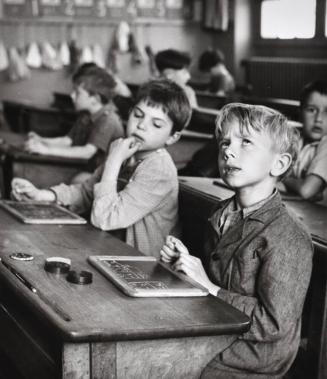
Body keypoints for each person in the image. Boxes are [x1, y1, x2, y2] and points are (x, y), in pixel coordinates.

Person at [161, 103, 313, 378]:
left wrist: (208, 287)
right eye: (225, 142)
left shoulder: (289, 236)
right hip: (218, 331)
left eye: (246, 142)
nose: (228, 151)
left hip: (253, 358)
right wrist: (184, 266)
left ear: (279, 164)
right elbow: (219, 282)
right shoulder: (222, 213)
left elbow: (271, 325)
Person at [11, 79, 192, 257]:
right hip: (108, 250)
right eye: (138, 115)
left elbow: (106, 219)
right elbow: (86, 192)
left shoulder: (158, 169)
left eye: (156, 124)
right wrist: (42, 195)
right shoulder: (124, 150)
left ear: (172, 137)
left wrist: (113, 162)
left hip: (141, 266)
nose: (142, 125)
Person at [24, 65, 124, 183]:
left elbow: (87, 152)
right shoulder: (86, 115)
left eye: (77, 92)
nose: (72, 95)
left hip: (104, 178)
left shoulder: (108, 120)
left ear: (94, 99)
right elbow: (67, 141)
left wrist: (46, 150)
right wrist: (42, 140)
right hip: (87, 169)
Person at [279, 80, 327, 204]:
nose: (318, 119)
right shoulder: (293, 135)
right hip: (295, 206)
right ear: (300, 112)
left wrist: (280, 176)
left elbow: (306, 191)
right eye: (311, 110)